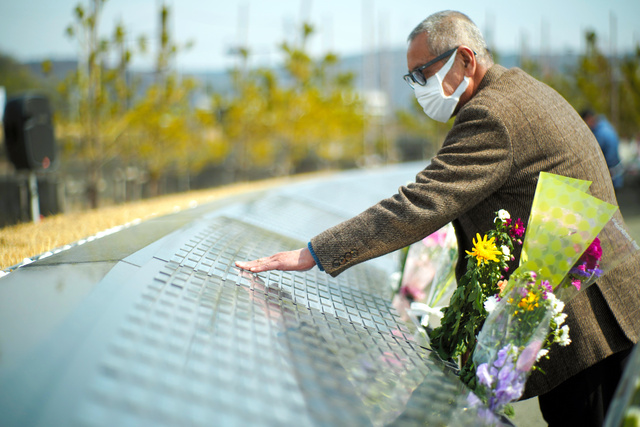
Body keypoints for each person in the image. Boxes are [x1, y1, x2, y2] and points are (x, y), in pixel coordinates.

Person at [236, 10, 640, 426]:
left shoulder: (492, 115)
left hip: (588, 316)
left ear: (465, 59)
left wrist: (315, 252)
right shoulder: (520, 90)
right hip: (600, 298)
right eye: (411, 78)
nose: (418, 87)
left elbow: (420, 203)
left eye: (422, 73)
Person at [581, 108, 625, 189]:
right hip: (616, 176)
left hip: (610, 177)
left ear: (589, 118)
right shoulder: (607, 126)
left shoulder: (600, 134)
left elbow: (595, 155)